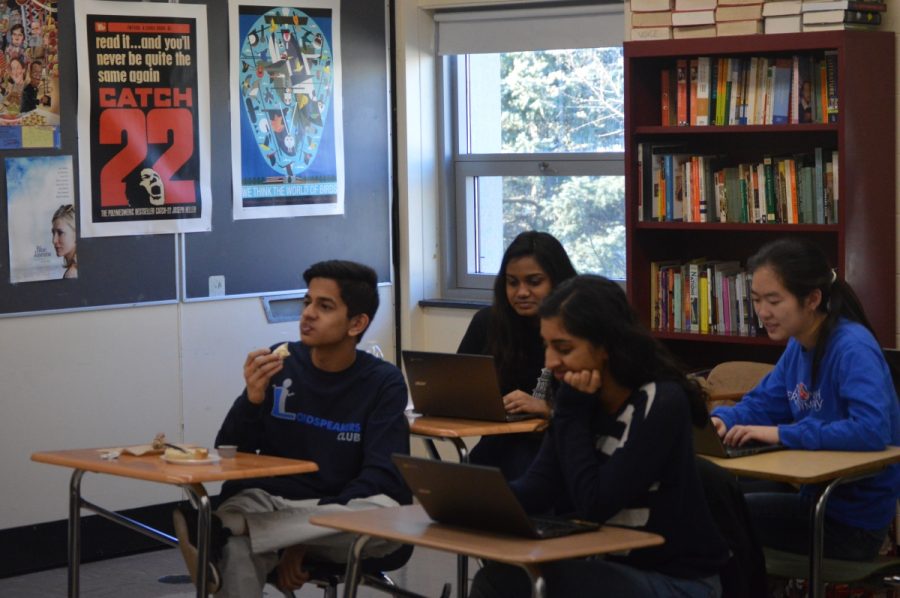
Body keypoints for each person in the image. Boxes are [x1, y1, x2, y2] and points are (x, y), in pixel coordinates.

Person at [469, 275, 728, 597]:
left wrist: (572, 413)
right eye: (547, 346)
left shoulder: (660, 400)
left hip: (677, 581)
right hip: (611, 567)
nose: (550, 362)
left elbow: (595, 504)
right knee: (500, 578)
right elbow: (538, 487)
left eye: (563, 348)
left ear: (605, 345)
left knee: (506, 584)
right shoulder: (574, 398)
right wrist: (472, 502)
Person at [172, 260, 412, 597]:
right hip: (272, 503)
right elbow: (230, 452)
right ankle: (235, 527)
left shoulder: (383, 382)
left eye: (324, 306)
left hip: (341, 514)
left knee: (387, 515)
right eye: (307, 302)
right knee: (238, 522)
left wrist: (298, 539)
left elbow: (382, 477)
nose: (308, 314)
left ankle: (225, 529)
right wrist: (252, 400)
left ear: (357, 323)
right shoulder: (279, 362)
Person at [711, 238, 900, 561]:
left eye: (773, 300)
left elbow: (871, 431)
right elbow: (762, 403)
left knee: (715, 513)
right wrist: (720, 420)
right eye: (757, 300)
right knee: (710, 492)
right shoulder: (799, 345)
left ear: (812, 299)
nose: (762, 313)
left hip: (849, 525)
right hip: (813, 500)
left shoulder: (852, 348)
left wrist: (782, 433)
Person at [457, 231, 577, 479]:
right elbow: (457, 388)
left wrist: (547, 407)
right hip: (498, 443)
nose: (521, 292)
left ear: (558, 281)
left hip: (555, 446)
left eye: (534, 282)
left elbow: (596, 412)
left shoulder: (579, 329)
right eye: (512, 282)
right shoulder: (487, 323)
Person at [51, 204, 76, 279]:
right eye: (53, 233)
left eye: (60, 233)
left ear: (76, 234)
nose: (54, 240)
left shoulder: (71, 274)